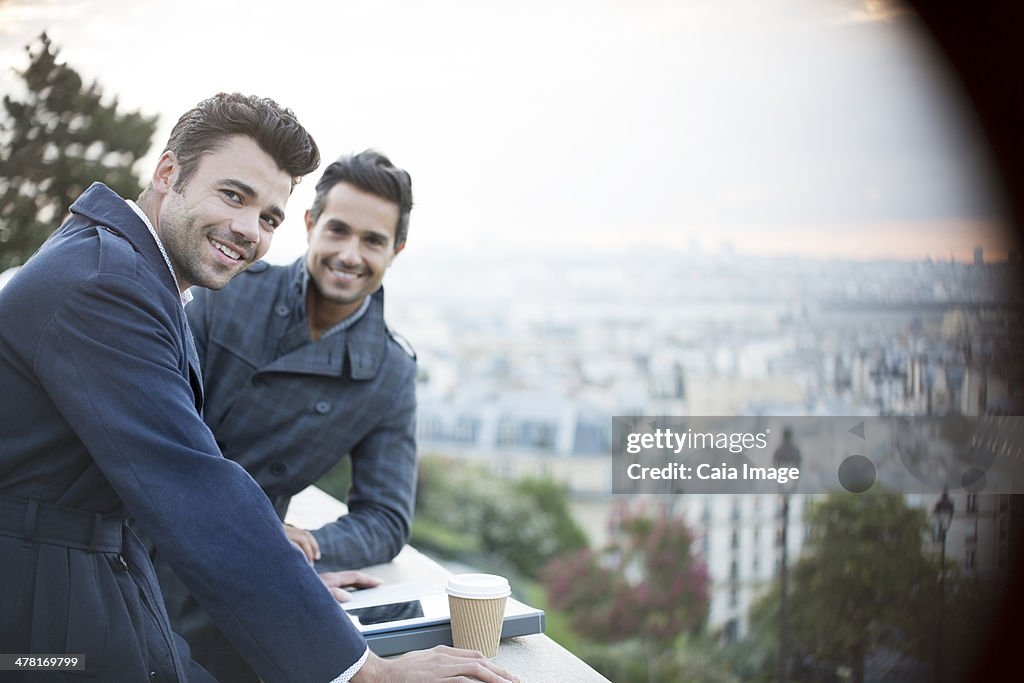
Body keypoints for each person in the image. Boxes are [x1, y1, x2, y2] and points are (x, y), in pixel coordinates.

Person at [0, 92, 516, 683]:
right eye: (233, 195)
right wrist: (366, 670)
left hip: (100, 578)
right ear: (168, 174)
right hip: (44, 612)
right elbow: (195, 484)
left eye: (267, 217)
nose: (248, 228)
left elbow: (378, 514)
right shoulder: (107, 286)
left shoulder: (122, 268)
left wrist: (306, 559)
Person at [158, 150, 420, 682]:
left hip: (248, 581)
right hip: (149, 539)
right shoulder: (227, 290)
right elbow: (164, 429)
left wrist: (304, 541)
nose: (350, 254)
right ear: (310, 224)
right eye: (338, 231)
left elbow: (387, 517)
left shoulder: (390, 371)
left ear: (396, 250)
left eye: (372, 241)